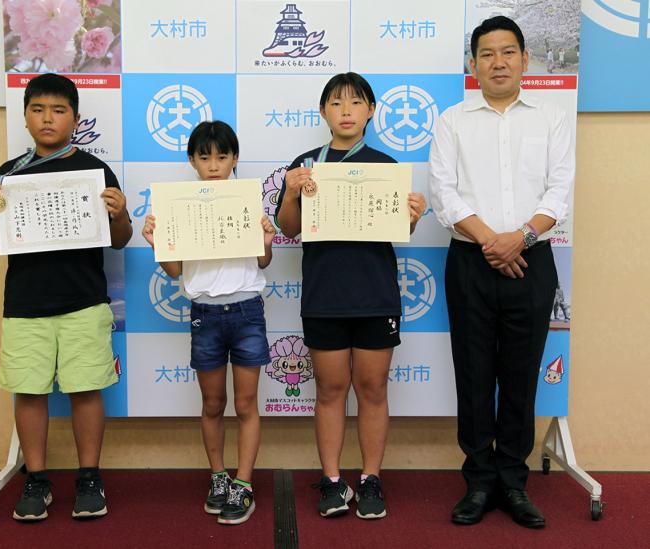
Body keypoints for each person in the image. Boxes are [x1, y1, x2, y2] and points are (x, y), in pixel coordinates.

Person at [429, 16, 573, 529]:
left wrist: (522, 238)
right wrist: (494, 241)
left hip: (533, 260)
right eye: (486, 54)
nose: (498, 62)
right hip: (470, 261)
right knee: (473, 374)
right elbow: (445, 195)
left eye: (507, 52)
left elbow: (560, 191)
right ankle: (479, 482)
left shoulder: (552, 118)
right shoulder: (452, 121)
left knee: (519, 376)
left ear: (525, 59)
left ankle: (513, 482)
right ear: (472, 65)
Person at [0, 73, 133, 521]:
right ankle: (37, 480)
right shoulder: (9, 174)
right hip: (25, 305)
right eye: (38, 109)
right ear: (25, 117)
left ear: (75, 119)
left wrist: (119, 214)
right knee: (29, 392)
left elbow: (120, 240)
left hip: (83, 301)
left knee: (85, 391)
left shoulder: (95, 171)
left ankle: (89, 478)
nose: (48, 118)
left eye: (59, 110)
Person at [276, 72, 426, 520]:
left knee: (373, 388)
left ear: (371, 112)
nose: (346, 111)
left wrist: (412, 216)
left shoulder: (385, 166)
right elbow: (288, 228)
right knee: (330, 389)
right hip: (325, 296)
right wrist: (289, 191)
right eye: (336, 103)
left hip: (375, 295)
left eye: (356, 103)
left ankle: (371, 478)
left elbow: (400, 230)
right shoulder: (307, 165)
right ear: (323, 112)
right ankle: (332, 480)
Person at [142, 121, 276, 526]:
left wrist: (266, 242)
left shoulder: (248, 200)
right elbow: (173, 270)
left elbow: (263, 261)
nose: (214, 165)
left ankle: (244, 482)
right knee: (214, 403)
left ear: (235, 159)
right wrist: (157, 242)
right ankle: (218, 477)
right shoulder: (178, 205)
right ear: (192, 161)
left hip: (248, 310)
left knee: (247, 403)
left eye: (222, 156)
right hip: (205, 314)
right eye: (205, 157)